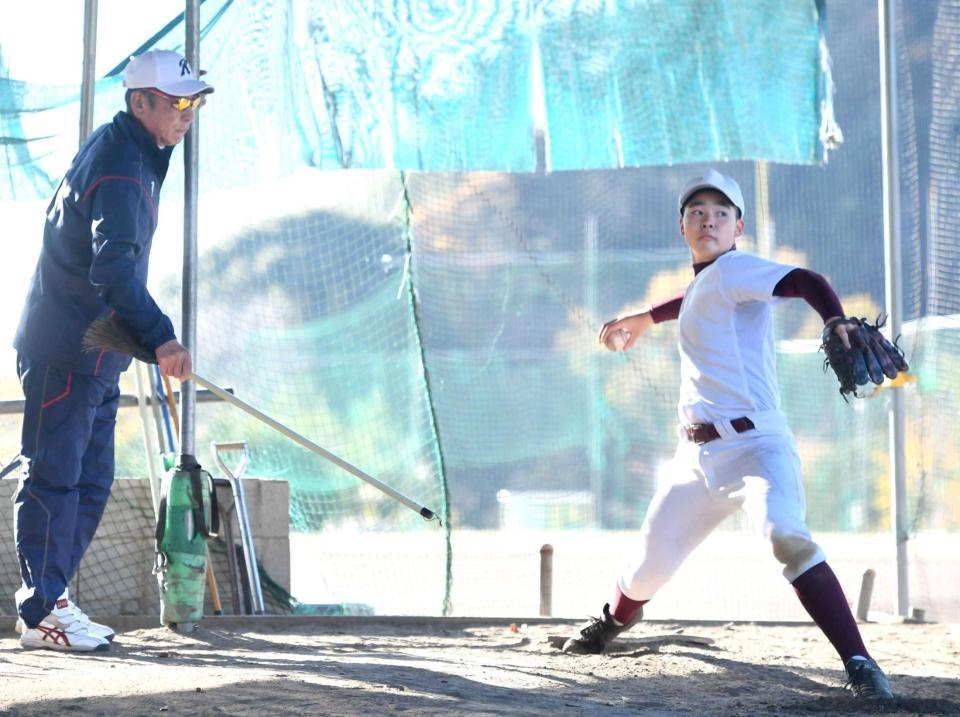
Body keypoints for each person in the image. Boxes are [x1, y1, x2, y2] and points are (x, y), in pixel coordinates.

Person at [562, 169, 895, 700]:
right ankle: (610, 623)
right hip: (696, 461)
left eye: (721, 213)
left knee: (787, 534)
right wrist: (647, 318)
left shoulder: (738, 267)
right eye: (698, 212)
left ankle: (860, 663)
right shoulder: (710, 282)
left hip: (755, 450)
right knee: (645, 570)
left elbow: (805, 281)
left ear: (737, 227)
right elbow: (696, 296)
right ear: (683, 227)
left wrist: (834, 319)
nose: (708, 220)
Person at [12, 49, 212, 652]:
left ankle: (54, 600)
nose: (188, 113)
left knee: (91, 481)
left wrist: (143, 343)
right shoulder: (124, 165)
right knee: (53, 479)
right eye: (178, 102)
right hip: (68, 349)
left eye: (194, 101)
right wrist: (162, 338)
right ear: (140, 102)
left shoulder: (135, 152)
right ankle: (41, 610)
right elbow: (113, 272)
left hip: (95, 351)